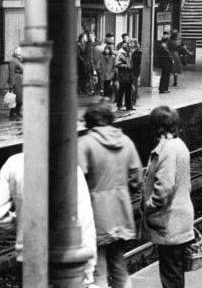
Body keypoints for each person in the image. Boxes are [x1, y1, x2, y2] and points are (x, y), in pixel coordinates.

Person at [0, 152, 96, 284]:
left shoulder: (14, 162)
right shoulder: (69, 166)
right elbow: (84, 218)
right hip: (63, 256)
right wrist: (89, 266)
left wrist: (23, 226)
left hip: (28, 255)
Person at [78, 101, 143, 288]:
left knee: (97, 269)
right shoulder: (126, 141)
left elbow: (76, 181)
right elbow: (137, 178)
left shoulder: (85, 144)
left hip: (95, 214)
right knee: (119, 264)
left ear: (89, 121)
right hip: (122, 211)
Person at [141, 106, 195, 288]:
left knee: (171, 274)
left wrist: (149, 205)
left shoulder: (167, 150)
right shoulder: (179, 145)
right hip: (179, 218)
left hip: (170, 221)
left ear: (157, 127)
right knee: (174, 272)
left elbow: (164, 187)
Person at [114, 43, 134, 111]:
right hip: (123, 75)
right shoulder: (120, 54)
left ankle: (129, 106)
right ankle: (119, 105)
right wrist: (125, 66)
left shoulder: (130, 54)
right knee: (121, 90)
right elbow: (116, 64)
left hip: (129, 74)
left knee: (129, 91)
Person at [78, 32, 96, 96]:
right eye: (86, 37)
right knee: (84, 78)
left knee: (86, 78)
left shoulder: (87, 44)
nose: (87, 38)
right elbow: (80, 55)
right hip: (83, 64)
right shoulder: (82, 44)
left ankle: (84, 90)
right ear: (82, 38)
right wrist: (84, 61)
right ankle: (84, 90)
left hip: (86, 63)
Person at [7, 47, 24, 120]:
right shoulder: (13, 61)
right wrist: (11, 84)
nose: (20, 53)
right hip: (16, 81)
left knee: (20, 99)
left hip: (20, 81)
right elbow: (11, 73)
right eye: (18, 51)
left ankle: (17, 112)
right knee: (15, 99)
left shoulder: (19, 60)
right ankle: (13, 113)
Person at [130, 38, 142, 107]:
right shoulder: (130, 51)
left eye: (132, 42)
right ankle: (131, 99)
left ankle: (133, 100)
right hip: (130, 70)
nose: (130, 43)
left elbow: (137, 62)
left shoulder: (138, 52)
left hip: (135, 70)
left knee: (134, 85)